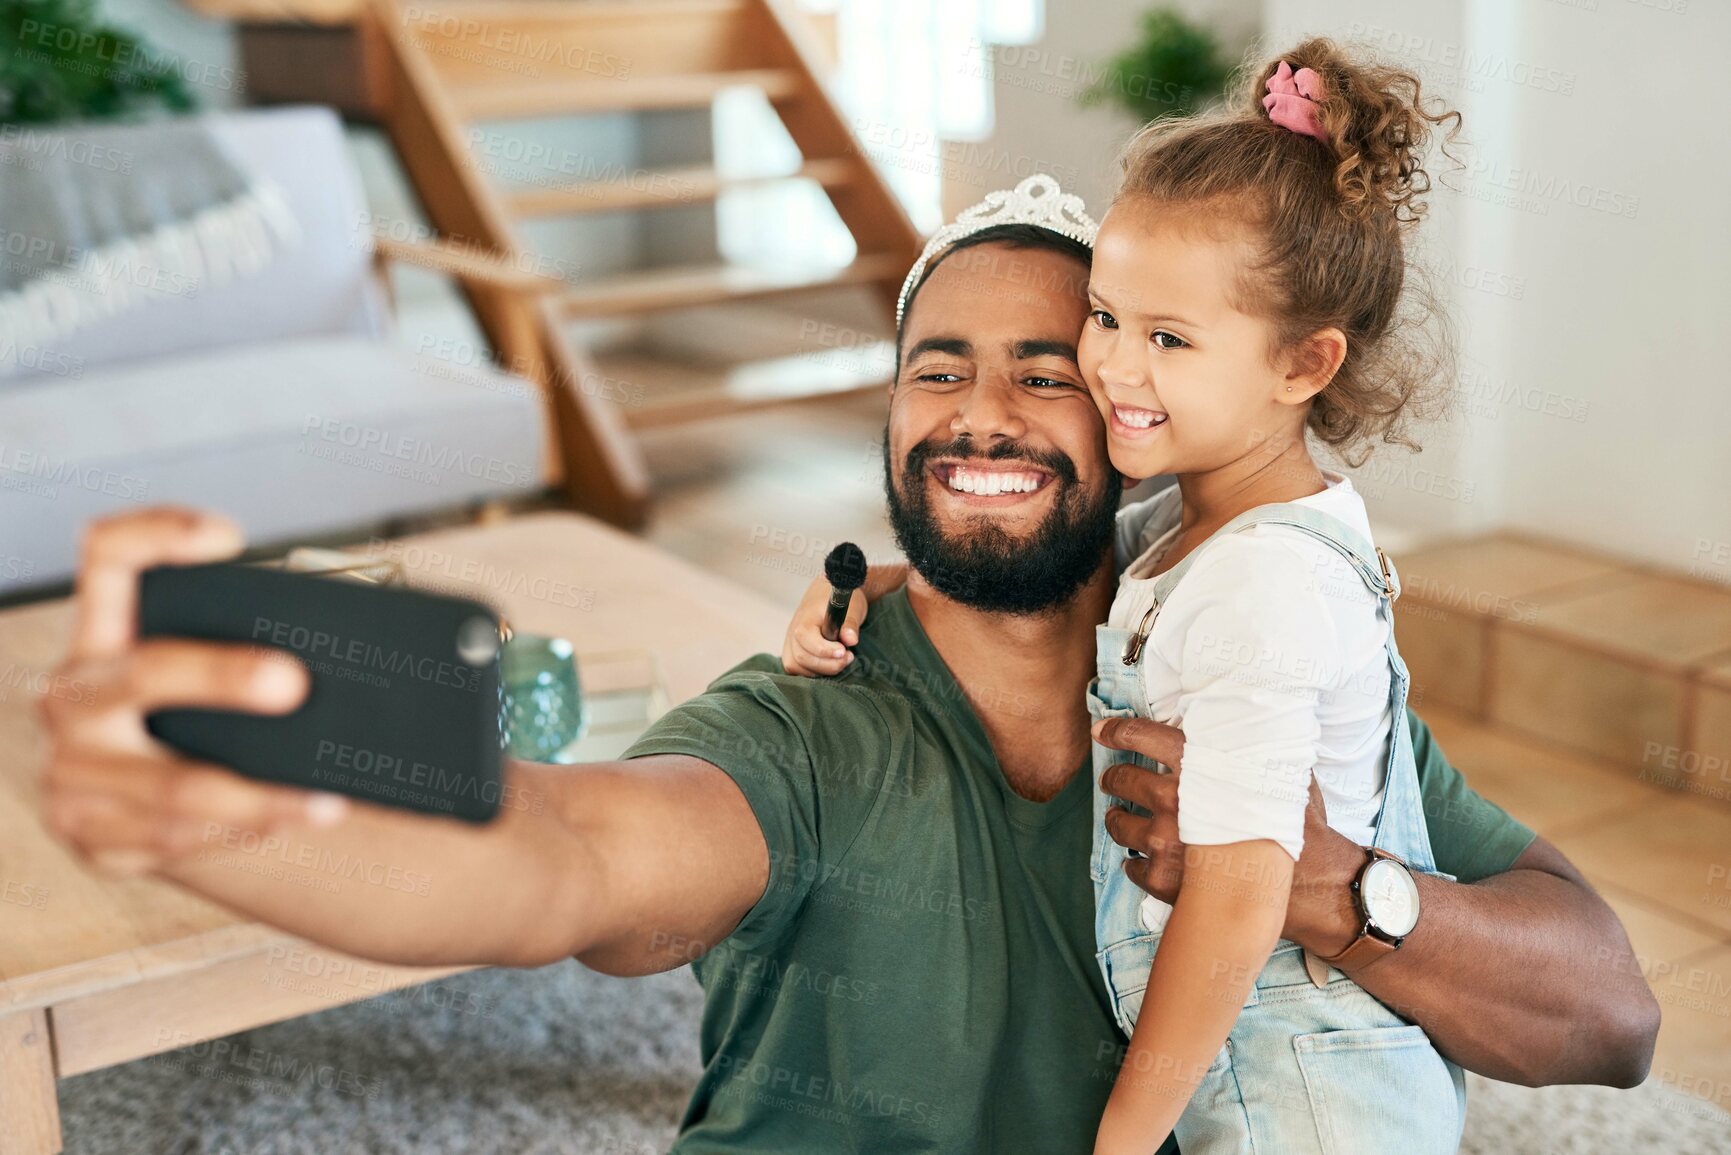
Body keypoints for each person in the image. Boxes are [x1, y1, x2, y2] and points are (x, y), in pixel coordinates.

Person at [38, 179, 1657, 1153]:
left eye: (1050, 369)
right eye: (934, 368)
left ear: (1140, 420)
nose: (982, 410)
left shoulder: (1251, 676)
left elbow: (1609, 1018)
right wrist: (238, 808)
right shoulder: (803, 721)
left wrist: (1334, 891)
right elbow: (562, 857)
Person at [789, 40, 1498, 1154]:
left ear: (1303, 365)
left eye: (1169, 338)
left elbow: (1234, 904)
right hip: (1257, 1069)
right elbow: (1046, 563)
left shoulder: (1265, 583)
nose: (1113, 367)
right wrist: (889, 582)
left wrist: (1121, 1143)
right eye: (1108, 315)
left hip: (1305, 1094)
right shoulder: (1196, 516)